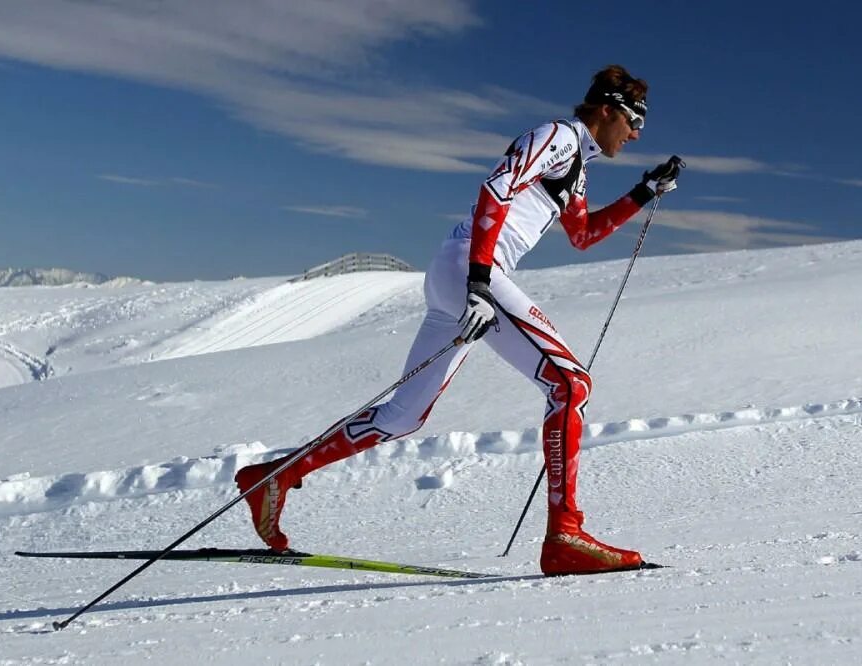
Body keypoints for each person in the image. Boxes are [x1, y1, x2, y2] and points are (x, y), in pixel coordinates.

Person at [235, 64, 681, 575]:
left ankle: (273, 478)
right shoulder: (558, 136)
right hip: (474, 268)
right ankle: (566, 536)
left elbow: (583, 234)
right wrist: (480, 282)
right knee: (570, 384)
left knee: (404, 414)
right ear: (605, 109)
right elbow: (497, 189)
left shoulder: (576, 163)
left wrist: (644, 192)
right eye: (632, 118)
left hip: (462, 269)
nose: (637, 132)